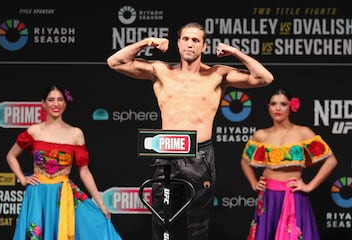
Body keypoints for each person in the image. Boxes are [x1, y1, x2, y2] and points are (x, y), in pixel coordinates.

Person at [107, 22, 274, 240]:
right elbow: (114, 62)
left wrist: (234, 52)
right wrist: (149, 42)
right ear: (178, 43)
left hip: (200, 155)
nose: (190, 44)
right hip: (166, 153)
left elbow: (265, 78)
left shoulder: (218, 74)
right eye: (185, 39)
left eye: (196, 40)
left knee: (198, 226)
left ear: (204, 46)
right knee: (162, 220)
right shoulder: (161, 71)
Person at [6, 84, 122, 240]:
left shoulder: (75, 133)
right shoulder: (34, 131)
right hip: (37, 194)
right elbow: (11, 156)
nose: (56, 104)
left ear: (65, 104)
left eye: (60, 100)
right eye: (51, 100)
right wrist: (22, 178)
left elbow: (84, 171)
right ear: (43, 103)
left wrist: (101, 204)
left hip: (64, 194)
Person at [240, 88, 338, 240]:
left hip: (292, 193)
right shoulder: (261, 135)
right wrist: (254, 183)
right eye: (273, 104)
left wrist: (309, 186)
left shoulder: (302, 133)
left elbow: (331, 160)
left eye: (283, 104)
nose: (278, 108)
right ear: (268, 107)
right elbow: (245, 161)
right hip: (267, 197)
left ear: (291, 107)